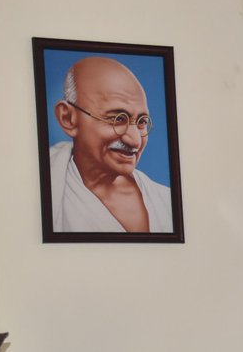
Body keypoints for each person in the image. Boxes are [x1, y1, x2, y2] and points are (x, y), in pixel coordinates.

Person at [49, 56, 174, 233]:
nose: (135, 140)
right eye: (118, 119)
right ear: (68, 118)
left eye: (141, 121)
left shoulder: (165, 202)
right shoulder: (46, 186)